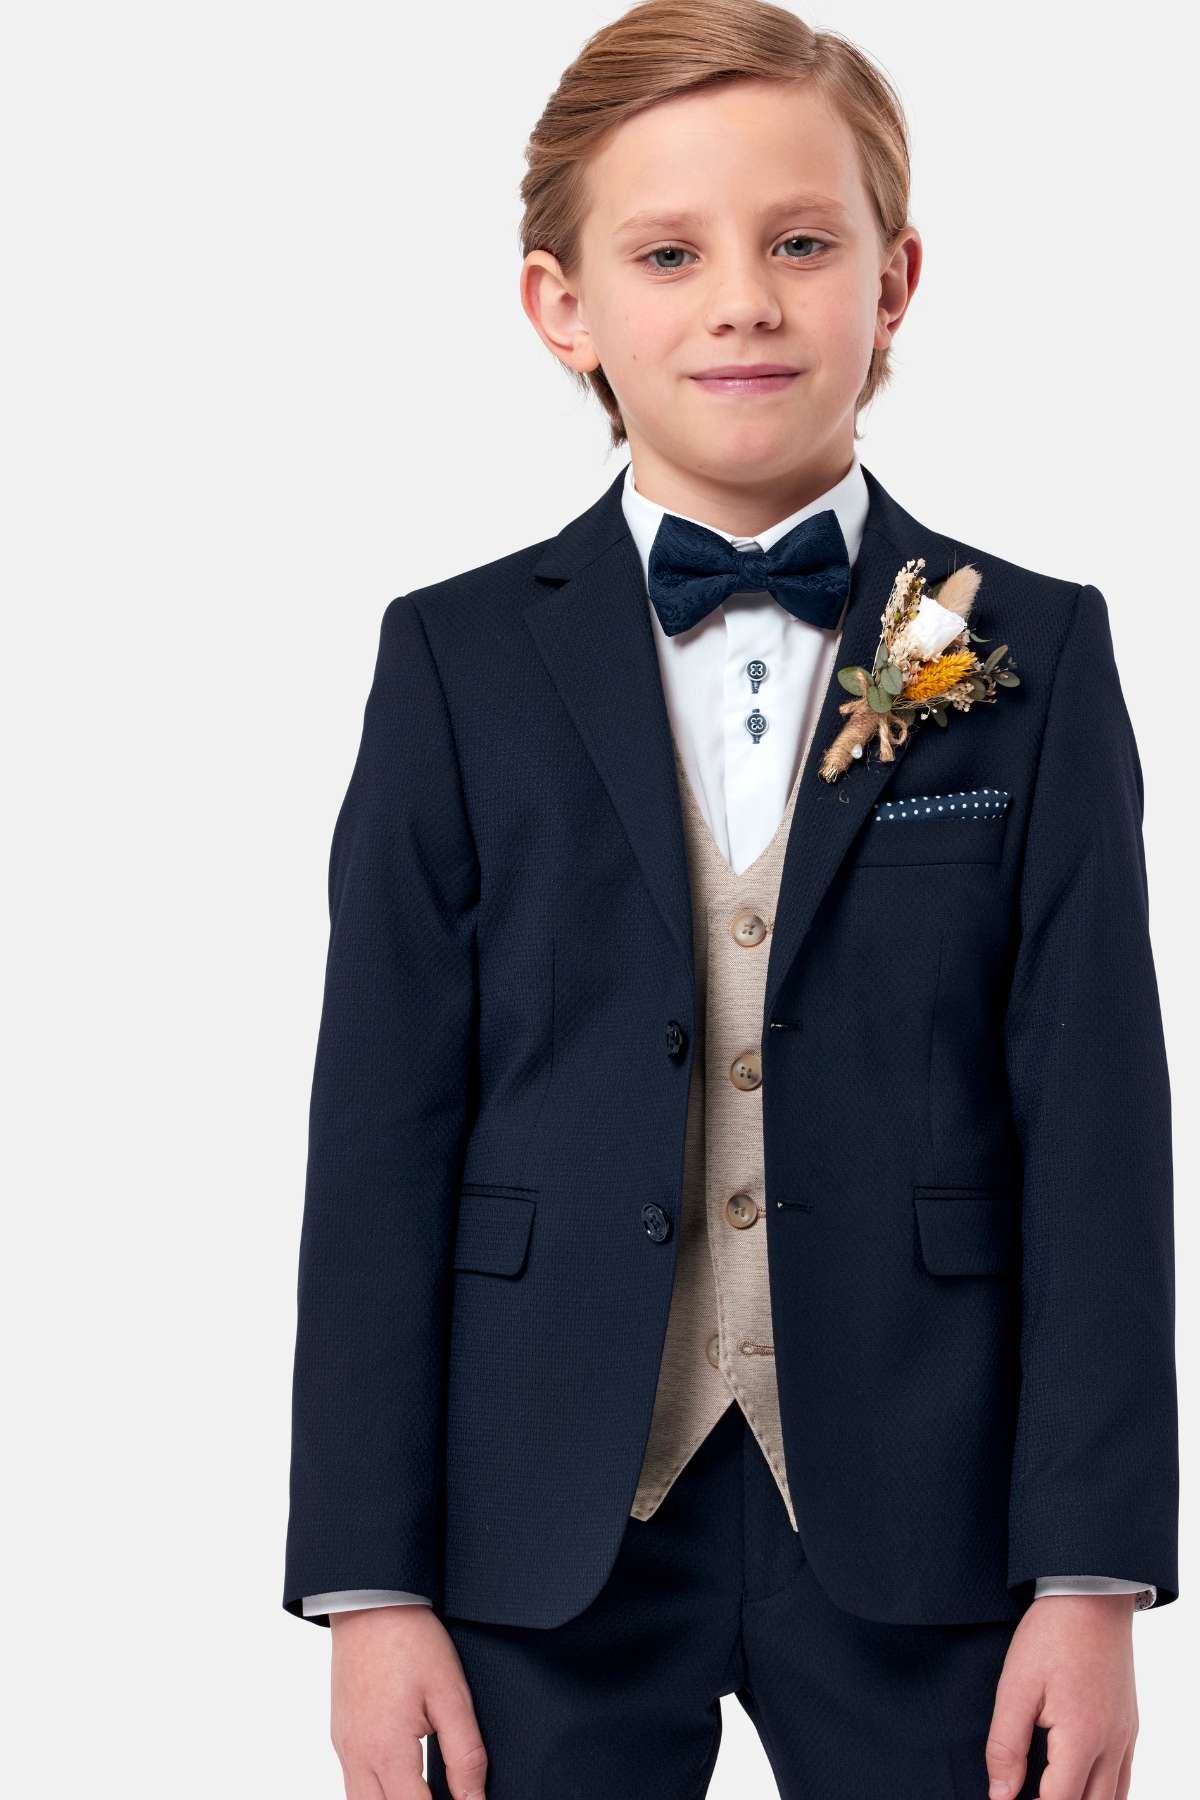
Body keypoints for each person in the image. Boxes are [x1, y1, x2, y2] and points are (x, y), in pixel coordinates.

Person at [282, 4, 1179, 1796]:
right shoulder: (453, 659)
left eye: (800, 242)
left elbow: (1097, 1128)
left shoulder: (1027, 651)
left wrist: (1093, 1577)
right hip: (535, 1521)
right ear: (563, 303)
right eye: (669, 253)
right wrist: (367, 1587)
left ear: (895, 277)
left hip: (931, 1512)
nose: (743, 303)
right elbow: (379, 1127)